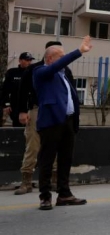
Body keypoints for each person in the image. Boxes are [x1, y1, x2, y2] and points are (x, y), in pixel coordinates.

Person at [31, 36, 92, 211]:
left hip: (68, 121)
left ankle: (64, 194)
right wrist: (79, 51)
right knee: (47, 160)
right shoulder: (41, 72)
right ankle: (45, 196)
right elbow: (55, 67)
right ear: (50, 58)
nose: (64, 60)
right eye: (61, 56)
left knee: (66, 159)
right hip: (51, 121)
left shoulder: (63, 75)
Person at [16, 41, 66, 196]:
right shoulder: (34, 69)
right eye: (59, 54)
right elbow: (22, 90)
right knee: (32, 145)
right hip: (37, 109)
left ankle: (54, 180)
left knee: (55, 145)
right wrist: (22, 111)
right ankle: (26, 181)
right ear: (49, 54)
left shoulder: (64, 71)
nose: (62, 57)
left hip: (56, 112)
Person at [1, 52, 33, 128]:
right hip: (15, 105)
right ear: (20, 60)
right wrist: (6, 104)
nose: (29, 62)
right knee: (17, 126)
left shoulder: (33, 72)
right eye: (26, 60)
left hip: (30, 105)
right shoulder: (12, 73)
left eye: (30, 60)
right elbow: (4, 90)